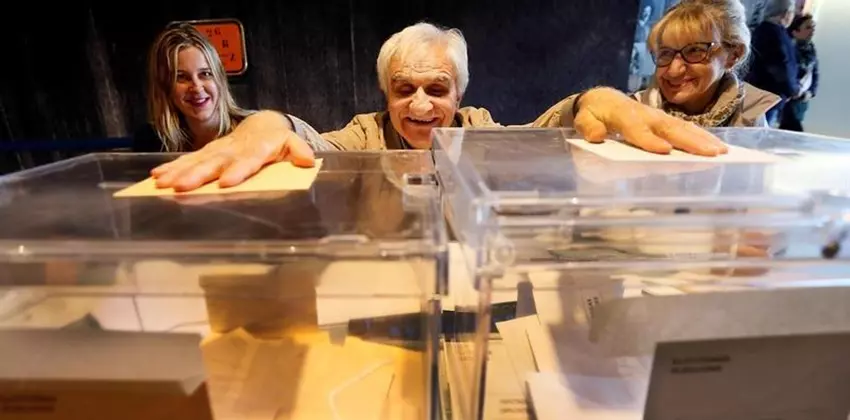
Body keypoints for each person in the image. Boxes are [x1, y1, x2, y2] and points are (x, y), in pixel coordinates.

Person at [152, 22, 728, 192]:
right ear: (386, 95)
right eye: (404, 89)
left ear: (460, 95)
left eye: (438, 89)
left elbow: (539, 132)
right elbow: (311, 142)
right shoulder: (366, 133)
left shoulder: (477, 130)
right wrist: (269, 123)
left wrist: (592, 99)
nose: (421, 104)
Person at [134, 23, 314, 164]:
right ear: (164, 85)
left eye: (205, 74)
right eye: (181, 77)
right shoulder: (150, 141)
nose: (196, 87)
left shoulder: (254, 129)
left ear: (219, 78)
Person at [628, 0, 780, 127]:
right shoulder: (633, 110)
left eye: (695, 51)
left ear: (733, 55)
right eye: (665, 53)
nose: (673, 71)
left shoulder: (750, 118)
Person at [745, 0, 801, 126]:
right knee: (760, 132)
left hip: (767, 95)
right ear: (786, 13)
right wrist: (792, 89)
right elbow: (780, 67)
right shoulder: (772, 33)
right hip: (768, 96)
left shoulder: (772, 31)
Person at [780, 14, 819, 131]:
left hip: (801, 101)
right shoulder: (787, 48)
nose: (812, 30)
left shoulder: (811, 50)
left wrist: (811, 92)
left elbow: (815, 73)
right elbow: (785, 71)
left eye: (813, 27)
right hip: (786, 98)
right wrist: (794, 89)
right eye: (808, 27)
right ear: (795, 31)